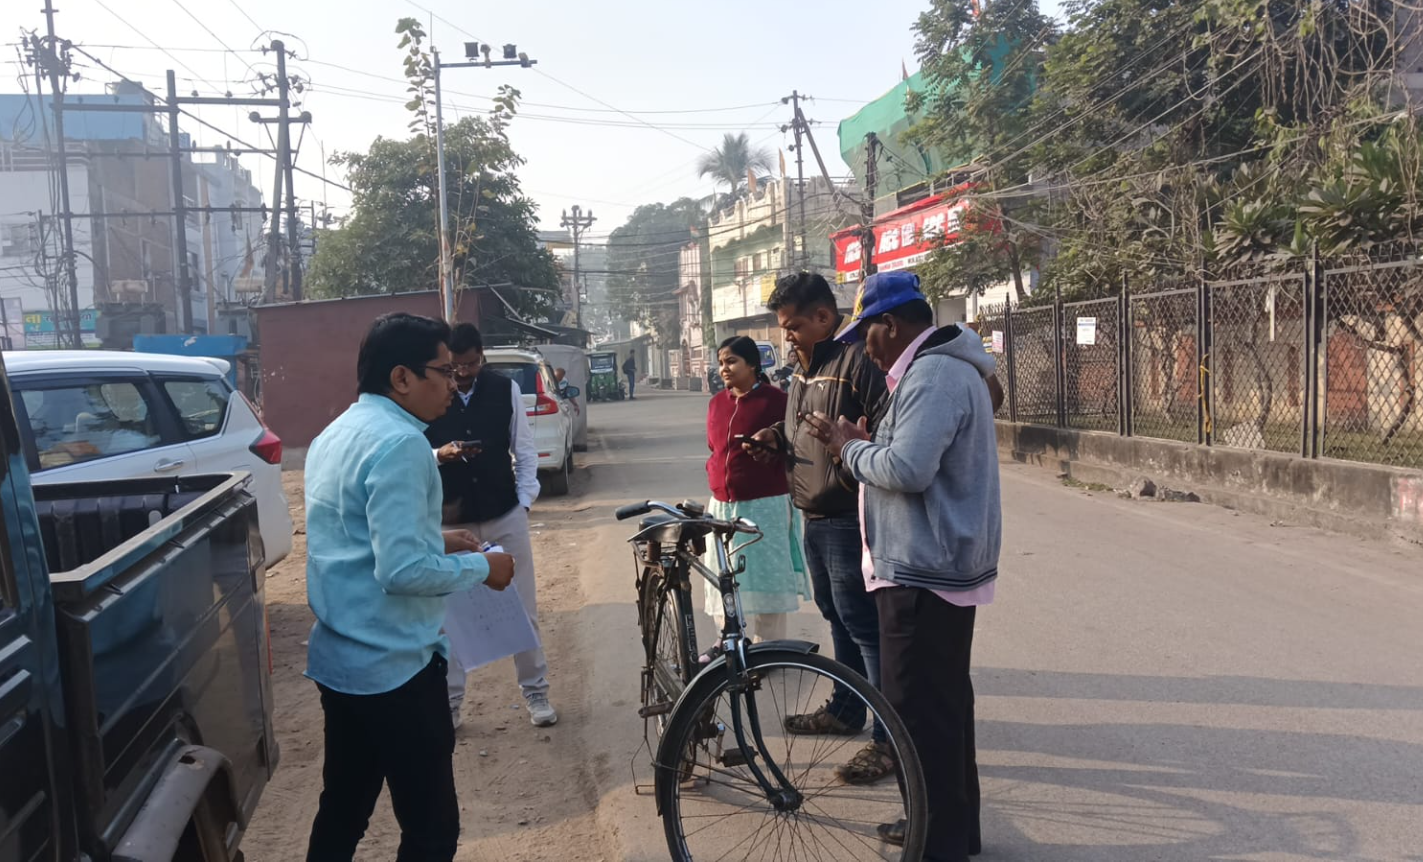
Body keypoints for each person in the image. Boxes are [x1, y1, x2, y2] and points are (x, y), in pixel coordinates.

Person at [303, 312, 516, 862]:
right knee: (431, 830)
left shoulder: (336, 432)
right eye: (443, 372)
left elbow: (356, 535)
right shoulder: (402, 444)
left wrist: (436, 538)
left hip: (342, 663)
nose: (454, 383)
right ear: (402, 378)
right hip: (396, 670)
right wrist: (483, 569)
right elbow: (399, 573)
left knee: (343, 808)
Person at [806, 271, 1002, 862]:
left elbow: (909, 470)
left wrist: (848, 448)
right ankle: (949, 831)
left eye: (866, 334)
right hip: (936, 564)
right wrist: (867, 445)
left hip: (923, 571)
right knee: (944, 708)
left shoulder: (933, 374)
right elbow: (907, 457)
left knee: (917, 714)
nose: (864, 348)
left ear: (889, 325)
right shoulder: (943, 368)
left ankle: (935, 842)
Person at [745, 271, 894, 786]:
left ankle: (887, 741)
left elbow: (884, 432)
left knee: (863, 626)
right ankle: (847, 710)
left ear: (824, 317)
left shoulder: (855, 364)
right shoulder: (802, 372)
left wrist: (848, 462)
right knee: (837, 617)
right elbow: (801, 430)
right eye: (783, 327)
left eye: (792, 326)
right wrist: (774, 437)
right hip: (812, 513)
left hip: (848, 514)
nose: (786, 335)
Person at [427, 323, 557, 729]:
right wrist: (439, 454)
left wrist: (524, 502)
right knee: (450, 617)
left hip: (504, 515)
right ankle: (450, 704)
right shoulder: (433, 394)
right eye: (456, 366)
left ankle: (536, 692)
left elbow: (524, 450)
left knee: (523, 609)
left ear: (482, 357)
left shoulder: (505, 390)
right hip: (452, 524)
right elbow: (413, 453)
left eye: (471, 364)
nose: (463, 373)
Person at [701, 336, 810, 643]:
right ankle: (730, 646)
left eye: (732, 361)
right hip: (722, 507)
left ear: (752, 365)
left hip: (766, 507)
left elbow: (797, 443)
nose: (724, 368)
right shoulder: (716, 404)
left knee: (767, 583)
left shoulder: (777, 402)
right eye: (721, 363)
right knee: (724, 579)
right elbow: (713, 447)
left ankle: (769, 651)